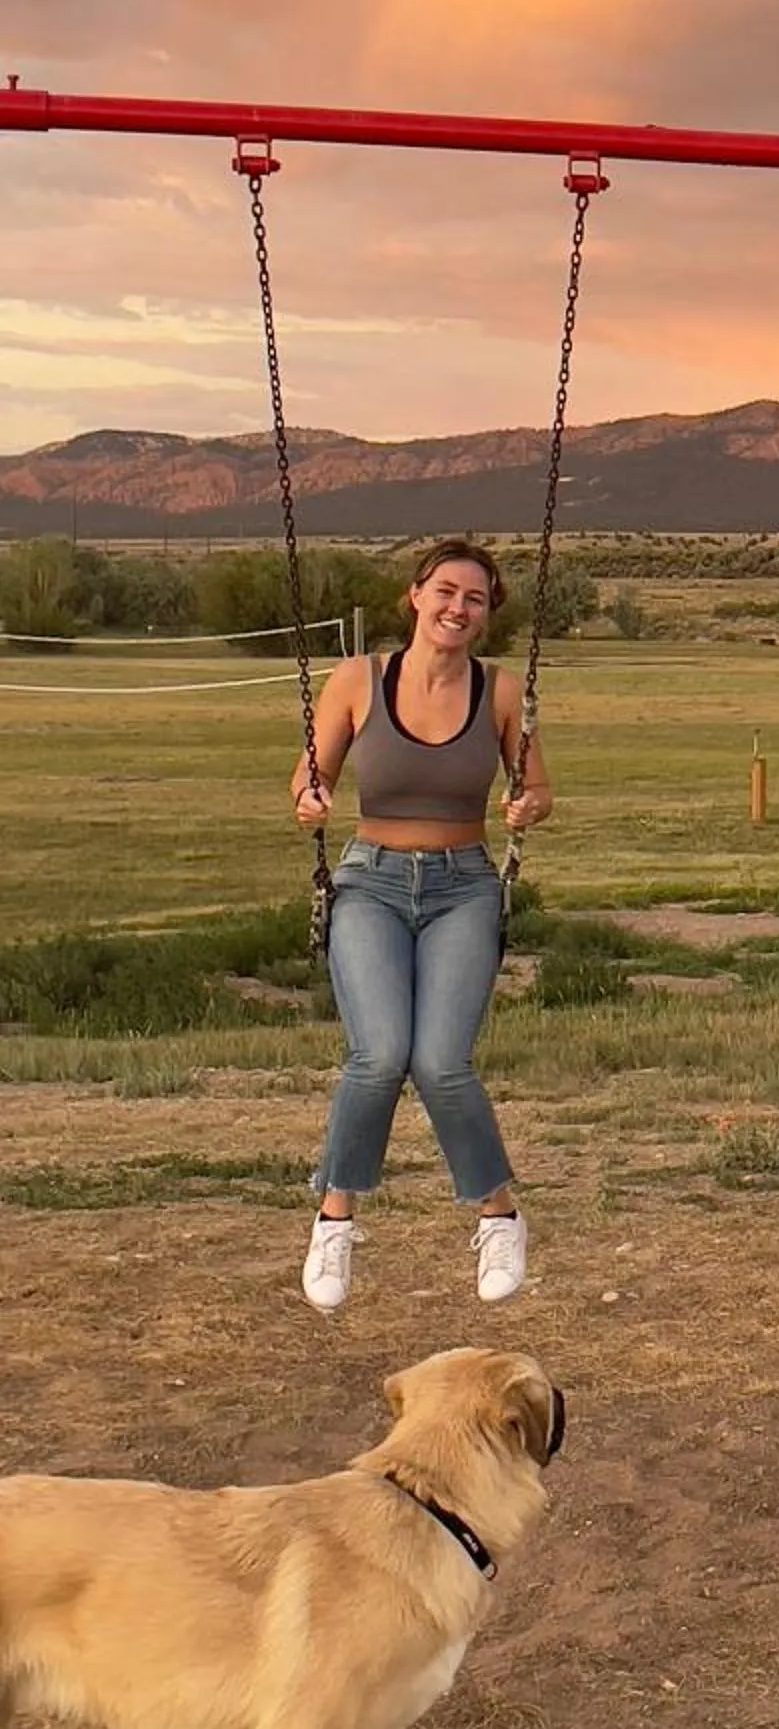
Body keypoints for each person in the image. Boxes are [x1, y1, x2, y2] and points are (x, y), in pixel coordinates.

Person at [292, 539, 551, 1314]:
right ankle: (334, 1221)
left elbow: (536, 785)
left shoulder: (501, 693)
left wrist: (527, 806)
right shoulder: (356, 680)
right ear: (415, 596)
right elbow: (313, 773)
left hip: (463, 885)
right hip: (369, 880)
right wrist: (309, 796)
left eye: (474, 599)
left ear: (485, 615)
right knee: (378, 1057)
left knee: (440, 1062)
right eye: (445, 591)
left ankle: (498, 1217)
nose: (456, 608)